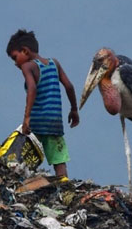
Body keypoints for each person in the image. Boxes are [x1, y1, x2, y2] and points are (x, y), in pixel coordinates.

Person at [6, 29, 79, 180]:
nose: (15, 63)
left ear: (25, 51)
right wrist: (74, 109)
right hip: (55, 122)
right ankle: (64, 185)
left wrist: (26, 118)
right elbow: (69, 86)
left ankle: (16, 181)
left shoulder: (28, 66)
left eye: (15, 57)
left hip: (37, 122)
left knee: (22, 155)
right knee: (59, 160)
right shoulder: (54, 63)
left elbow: (32, 88)